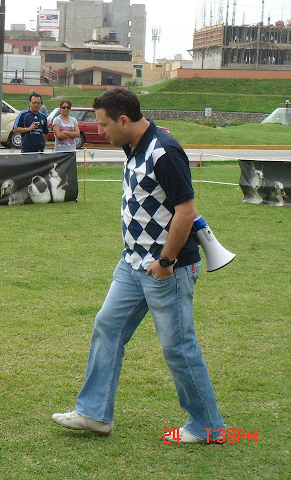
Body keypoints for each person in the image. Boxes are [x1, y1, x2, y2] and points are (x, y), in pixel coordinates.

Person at [51, 88, 225, 442]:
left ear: (124, 120)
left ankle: (207, 427)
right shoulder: (133, 145)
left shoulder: (164, 151)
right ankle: (94, 414)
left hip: (166, 269)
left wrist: (165, 261)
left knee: (177, 346)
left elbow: (186, 211)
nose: (100, 131)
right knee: (107, 328)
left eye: (104, 125)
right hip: (132, 264)